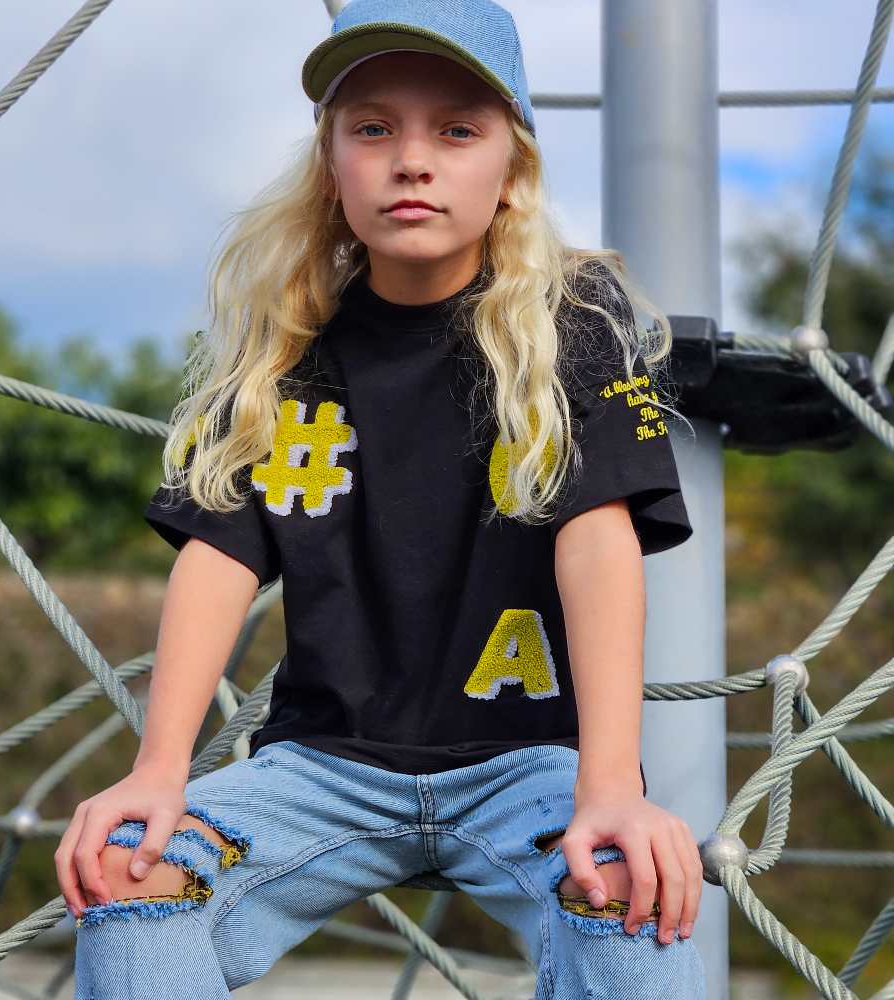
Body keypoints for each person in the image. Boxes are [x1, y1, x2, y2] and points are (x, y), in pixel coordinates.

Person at [55, 1, 707, 996]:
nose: (413, 159)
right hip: (322, 766)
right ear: (331, 165)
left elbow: (597, 539)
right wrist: (159, 769)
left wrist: (610, 784)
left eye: (456, 130)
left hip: (524, 759)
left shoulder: (569, 322)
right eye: (372, 128)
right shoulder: (286, 344)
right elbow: (221, 553)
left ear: (511, 170)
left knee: (629, 883)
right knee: (126, 871)